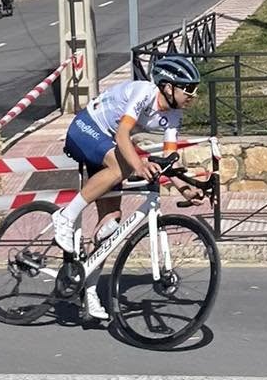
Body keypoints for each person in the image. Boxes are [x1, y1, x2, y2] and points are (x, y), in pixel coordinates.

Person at [52, 53, 201, 321]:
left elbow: (168, 159)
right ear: (168, 87)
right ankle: (65, 215)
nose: (193, 94)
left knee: (110, 229)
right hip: (86, 128)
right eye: (188, 88)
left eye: (196, 89)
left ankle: (89, 290)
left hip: (108, 146)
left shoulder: (174, 115)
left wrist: (183, 186)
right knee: (124, 166)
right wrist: (140, 166)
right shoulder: (144, 93)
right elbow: (122, 135)